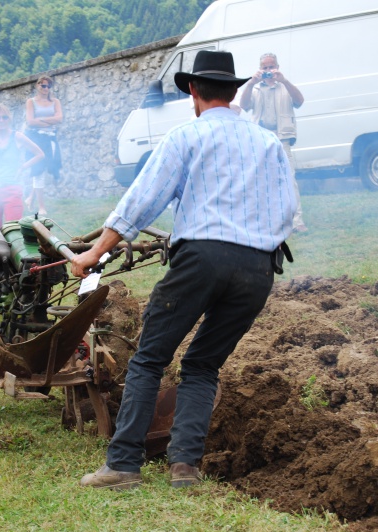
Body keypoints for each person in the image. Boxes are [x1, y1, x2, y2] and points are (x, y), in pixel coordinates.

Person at [72, 51, 296, 490]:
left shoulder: (185, 137)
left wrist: (92, 254)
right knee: (202, 364)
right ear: (234, 92)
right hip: (258, 268)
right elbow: (288, 209)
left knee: (151, 358)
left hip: (202, 259)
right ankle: (185, 469)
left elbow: (139, 203)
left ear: (193, 90)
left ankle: (122, 466)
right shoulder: (267, 142)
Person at [239, 52, 307, 232]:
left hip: (282, 136)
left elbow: (300, 102)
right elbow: (244, 106)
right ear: (260, 69)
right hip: (260, 138)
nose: (269, 71)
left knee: (288, 178)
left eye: (271, 67)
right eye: (265, 68)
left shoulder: (285, 85)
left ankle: (297, 221)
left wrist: (284, 81)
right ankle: (266, 221)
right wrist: (250, 83)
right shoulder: (255, 87)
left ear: (277, 67)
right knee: (261, 180)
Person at [0, 103, 44, 224]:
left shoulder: (17, 137)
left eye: (4, 117)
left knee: (13, 230)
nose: (1, 120)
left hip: (12, 189)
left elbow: (40, 154)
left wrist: (22, 167)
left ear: (9, 118)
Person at [25, 75, 63, 216]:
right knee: (39, 169)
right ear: (37, 86)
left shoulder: (55, 102)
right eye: (43, 85)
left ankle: (30, 198)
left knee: (46, 168)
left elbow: (59, 119)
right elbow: (30, 122)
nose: (45, 88)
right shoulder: (31, 102)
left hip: (51, 138)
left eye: (48, 86)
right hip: (36, 138)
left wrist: (40, 119)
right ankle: (41, 207)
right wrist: (50, 121)